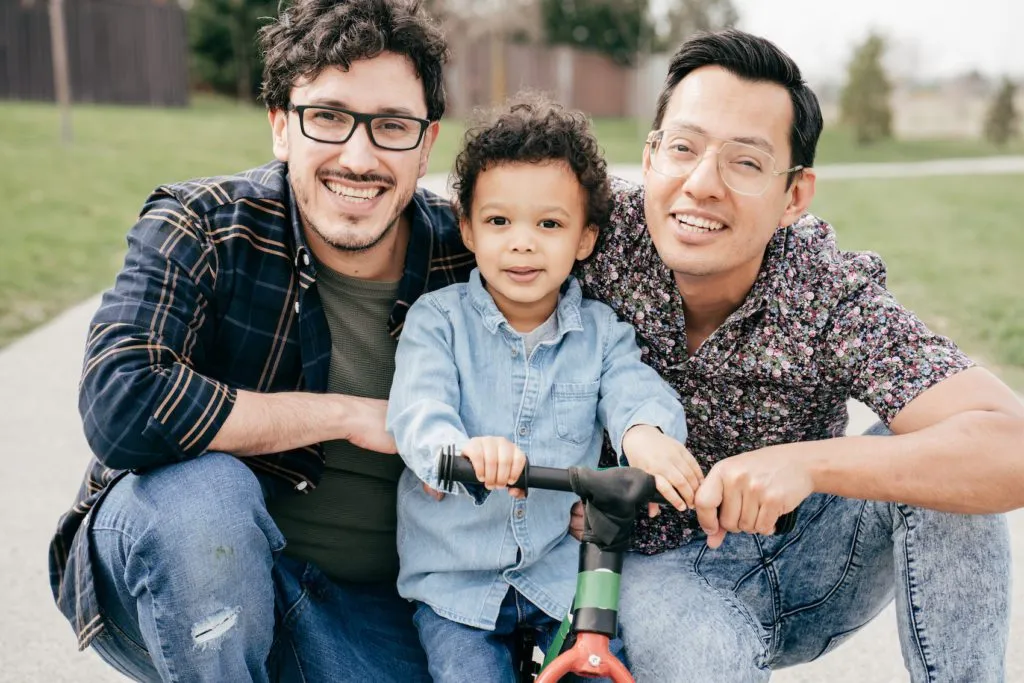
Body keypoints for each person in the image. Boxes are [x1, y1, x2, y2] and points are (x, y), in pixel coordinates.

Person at [574, 28, 1024, 683]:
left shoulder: (822, 288)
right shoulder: (587, 238)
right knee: (702, 659)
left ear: (794, 196)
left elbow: (1010, 442)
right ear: (649, 157)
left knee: (944, 469)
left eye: (745, 162)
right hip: (654, 572)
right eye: (683, 148)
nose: (702, 184)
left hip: (812, 556)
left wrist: (805, 464)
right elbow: (469, 235)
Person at [46, 0, 474, 680]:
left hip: (375, 606)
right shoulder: (201, 224)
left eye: (392, 126)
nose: (358, 157)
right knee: (205, 501)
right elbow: (121, 402)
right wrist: (345, 415)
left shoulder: (477, 255)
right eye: (328, 117)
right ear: (281, 126)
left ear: (427, 144)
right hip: (181, 564)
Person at [385, 94, 698, 683]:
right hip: (456, 586)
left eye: (549, 224)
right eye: (499, 222)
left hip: (561, 578)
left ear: (584, 239)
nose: (522, 243)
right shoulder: (438, 321)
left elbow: (634, 389)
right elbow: (418, 410)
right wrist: (461, 450)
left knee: (605, 669)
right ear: (468, 228)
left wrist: (645, 435)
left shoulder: (602, 334)